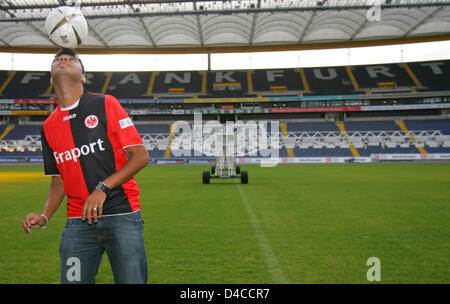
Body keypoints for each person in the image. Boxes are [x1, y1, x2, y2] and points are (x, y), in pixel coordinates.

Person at [21, 48, 150, 284]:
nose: (63, 60)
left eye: (71, 59)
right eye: (58, 59)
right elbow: (58, 179)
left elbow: (140, 156)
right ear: (51, 77)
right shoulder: (48, 127)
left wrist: (102, 188)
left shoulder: (105, 104)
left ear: (82, 77)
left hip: (122, 214)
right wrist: (45, 216)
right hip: (77, 222)